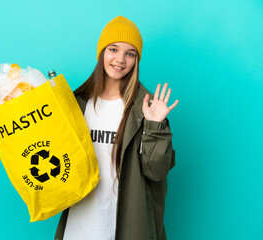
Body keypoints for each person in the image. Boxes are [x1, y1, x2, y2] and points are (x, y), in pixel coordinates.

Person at [55, 15, 178, 240]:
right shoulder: (77, 103)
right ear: (102, 52)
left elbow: (157, 172)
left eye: (130, 53)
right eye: (113, 49)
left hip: (127, 225)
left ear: (136, 60)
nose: (120, 59)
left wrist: (155, 127)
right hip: (79, 223)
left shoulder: (147, 108)